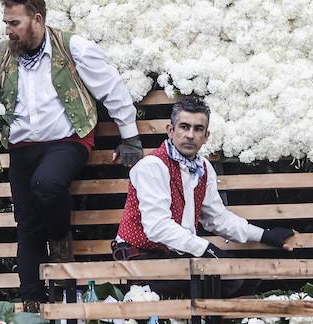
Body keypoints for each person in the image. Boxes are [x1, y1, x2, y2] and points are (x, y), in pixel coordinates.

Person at [0, 0, 143, 311]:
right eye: (6, 23)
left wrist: (130, 139)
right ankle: (33, 302)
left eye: (14, 23)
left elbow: (113, 90)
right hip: (22, 147)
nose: (8, 30)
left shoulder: (73, 47)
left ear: (37, 19)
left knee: (47, 184)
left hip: (68, 142)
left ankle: (61, 238)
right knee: (27, 224)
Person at [110, 96, 296, 296]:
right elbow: (157, 227)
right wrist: (206, 249)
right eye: (184, 127)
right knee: (226, 280)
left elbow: (217, 218)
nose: (190, 135)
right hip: (141, 259)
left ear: (206, 136)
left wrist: (265, 235)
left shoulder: (203, 168)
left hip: (176, 257)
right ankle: (142, 295)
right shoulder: (152, 166)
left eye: (198, 129)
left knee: (249, 279)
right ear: (170, 131)